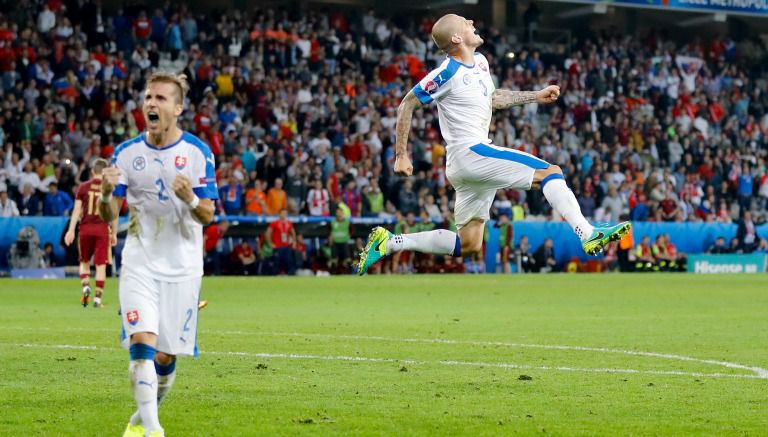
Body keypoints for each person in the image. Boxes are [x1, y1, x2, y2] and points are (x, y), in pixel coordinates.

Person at [357, 14, 630, 274]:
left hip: (465, 166)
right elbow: (407, 103)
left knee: (470, 243)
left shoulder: (480, 62)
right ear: (456, 39)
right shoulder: (446, 72)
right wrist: (401, 155)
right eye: (466, 23)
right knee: (550, 172)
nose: (472, 22)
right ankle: (587, 233)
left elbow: (493, 98)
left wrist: (535, 95)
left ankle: (390, 242)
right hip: (471, 153)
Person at [98, 72, 218, 437]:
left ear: (178, 108)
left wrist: (190, 198)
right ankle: (153, 430)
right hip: (139, 262)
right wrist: (105, 196)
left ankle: (140, 421)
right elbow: (110, 215)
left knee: (165, 357)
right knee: (141, 342)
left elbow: (208, 214)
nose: (151, 103)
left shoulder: (197, 153)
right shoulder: (126, 153)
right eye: (149, 97)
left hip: (182, 266)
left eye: (161, 98)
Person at [64, 158, 118, 308]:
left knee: (84, 261)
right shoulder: (109, 188)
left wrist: (70, 230)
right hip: (102, 230)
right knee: (101, 266)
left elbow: (76, 210)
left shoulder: (83, 187)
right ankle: (97, 300)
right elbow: (114, 213)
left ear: (93, 171)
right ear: (105, 172)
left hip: (85, 229)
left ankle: (86, 286)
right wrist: (113, 233)